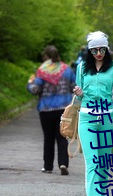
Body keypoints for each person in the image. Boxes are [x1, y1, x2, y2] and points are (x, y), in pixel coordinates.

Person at [73, 31, 113, 196]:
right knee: (92, 162)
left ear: (107, 48)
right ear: (89, 50)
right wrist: (78, 92)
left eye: (102, 49)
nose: (98, 53)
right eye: (94, 50)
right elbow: (79, 97)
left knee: (104, 163)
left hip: (107, 119)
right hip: (86, 118)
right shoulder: (81, 68)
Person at [27, 45, 76, 175]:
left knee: (48, 138)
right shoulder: (67, 70)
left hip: (46, 109)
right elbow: (74, 87)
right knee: (62, 137)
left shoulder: (42, 71)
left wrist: (30, 83)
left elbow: (35, 90)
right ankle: (63, 163)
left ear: (46, 57)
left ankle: (48, 166)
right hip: (63, 109)